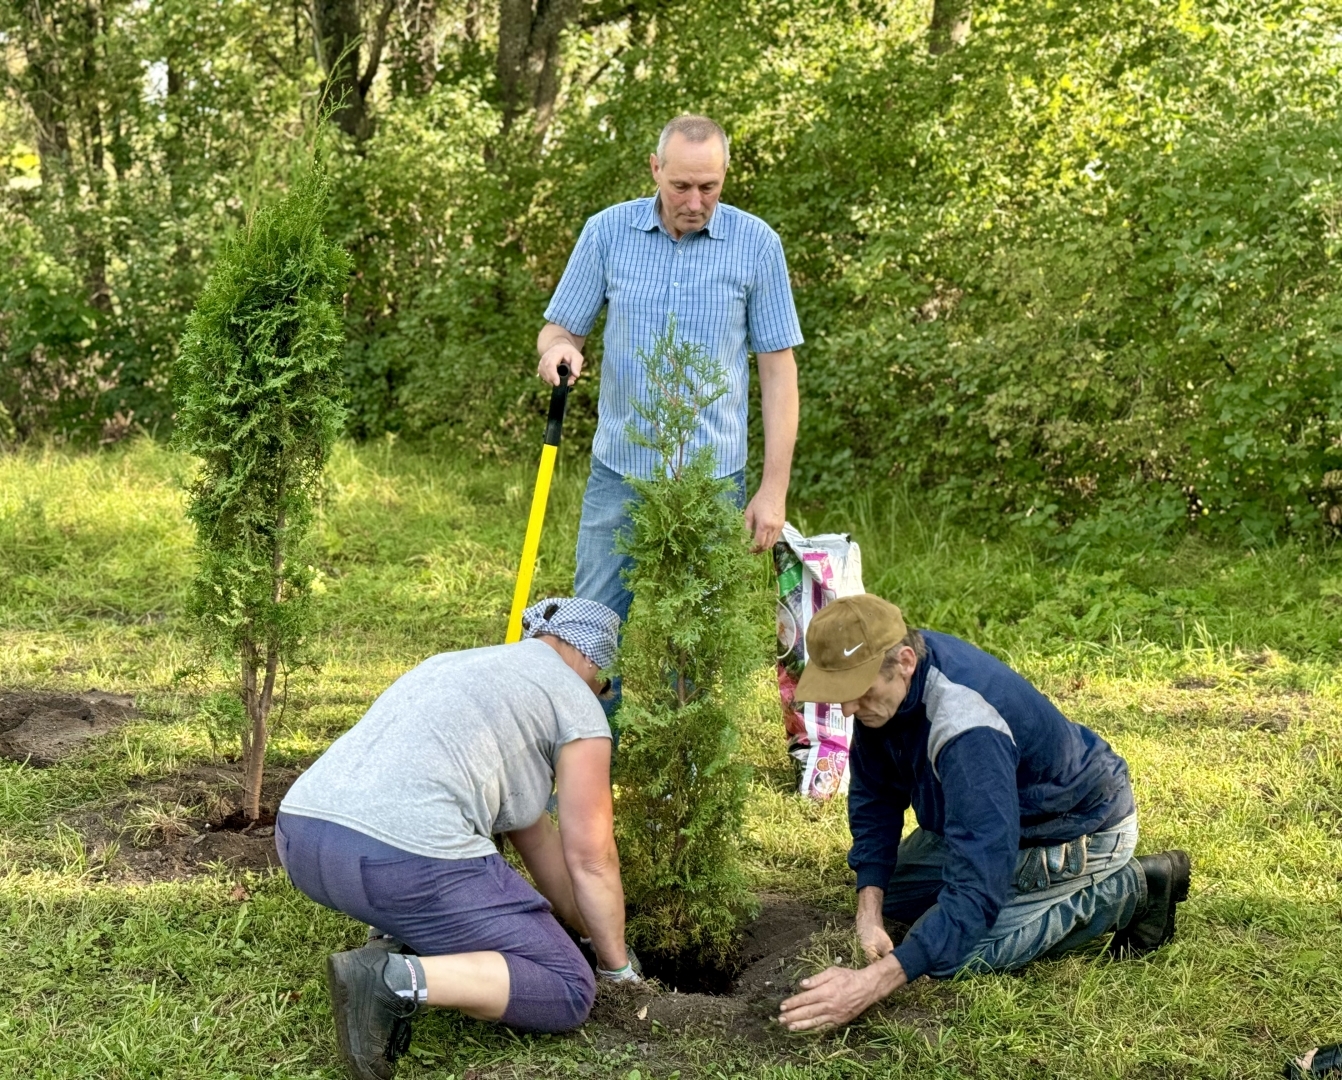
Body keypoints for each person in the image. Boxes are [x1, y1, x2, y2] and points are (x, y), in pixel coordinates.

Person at [777, 594, 1191, 1032]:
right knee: (892, 896)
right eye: (840, 695)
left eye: (858, 693)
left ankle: (1134, 889)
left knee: (951, 955)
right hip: (991, 815)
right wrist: (869, 911)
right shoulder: (890, 685)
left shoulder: (967, 728)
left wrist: (871, 984)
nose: (846, 710)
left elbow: (979, 882)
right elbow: (875, 799)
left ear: (904, 662)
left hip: (1072, 828)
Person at [275, 598, 639, 1080]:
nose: (600, 695)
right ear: (593, 661)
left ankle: (393, 940)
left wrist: (591, 933)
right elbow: (591, 857)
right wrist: (617, 971)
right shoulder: (574, 701)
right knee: (568, 985)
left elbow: (541, 845)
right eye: (605, 686)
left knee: (433, 862)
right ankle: (395, 980)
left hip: (300, 837)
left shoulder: (461, 665)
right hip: (398, 862)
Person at [537, 114, 803, 634]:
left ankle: (682, 720)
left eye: (709, 187)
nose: (695, 202)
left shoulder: (758, 245)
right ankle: (594, 720)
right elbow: (558, 330)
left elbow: (778, 374)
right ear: (655, 169)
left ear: (726, 174)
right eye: (681, 185)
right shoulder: (607, 233)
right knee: (588, 634)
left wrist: (774, 490)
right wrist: (559, 350)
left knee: (696, 645)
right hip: (621, 473)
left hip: (712, 483)